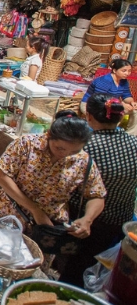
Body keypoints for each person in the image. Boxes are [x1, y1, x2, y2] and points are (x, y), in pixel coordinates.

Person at [58, 95, 137, 286]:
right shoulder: (134, 143)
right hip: (121, 219)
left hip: (87, 220)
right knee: (96, 266)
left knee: (75, 269)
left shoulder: (85, 145)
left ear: (88, 116)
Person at [0, 113, 105, 243]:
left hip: (48, 229)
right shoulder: (26, 144)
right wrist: (35, 210)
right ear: (48, 135)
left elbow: (97, 195)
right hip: (8, 213)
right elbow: (2, 176)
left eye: (74, 152)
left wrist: (88, 219)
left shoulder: (83, 161)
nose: (65, 155)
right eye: (60, 148)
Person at [81, 59, 136, 135]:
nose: (127, 73)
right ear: (114, 70)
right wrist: (122, 105)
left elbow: (126, 95)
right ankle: (111, 134)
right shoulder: (105, 80)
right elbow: (100, 99)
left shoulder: (124, 81)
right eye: (124, 71)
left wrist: (131, 102)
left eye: (129, 71)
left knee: (135, 111)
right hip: (93, 104)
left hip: (113, 104)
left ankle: (130, 135)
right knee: (114, 114)